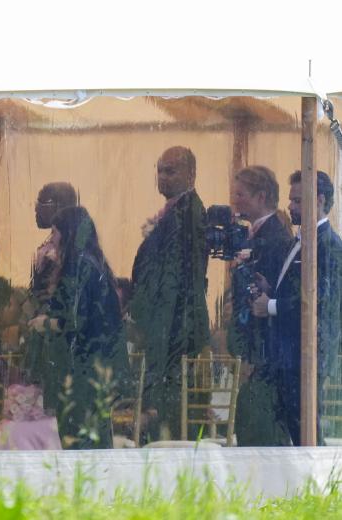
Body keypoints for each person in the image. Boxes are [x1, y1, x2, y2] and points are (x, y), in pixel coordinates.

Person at [251, 170, 342, 445]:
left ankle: (315, 479)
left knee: (304, 427)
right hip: (288, 352)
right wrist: (271, 289)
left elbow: (322, 300)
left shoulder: (328, 244)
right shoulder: (302, 240)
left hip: (306, 352)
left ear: (320, 200)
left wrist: (272, 306)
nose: (289, 206)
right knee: (292, 423)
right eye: (291, 200)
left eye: (297, 201)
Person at [24, 206, 126, 448]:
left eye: (55, 231)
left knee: (78, 436)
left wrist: (44, 323)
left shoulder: (78, 265)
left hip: (83, 370)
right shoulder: (93, 263)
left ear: (66, 232)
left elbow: (74, 320)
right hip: (99, 367)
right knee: (95, 434)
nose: (52, 238)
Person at [129, 146, 210, 440]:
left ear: (191, 174)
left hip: (173, 324)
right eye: (160, 170)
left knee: (169, 405)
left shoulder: (187, 212)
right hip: (165, 322)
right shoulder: (176, 210)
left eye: (170, 171)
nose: (162, 177)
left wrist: (147, 318)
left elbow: (174, 280)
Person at [227, 166, 293, 446]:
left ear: (261, 197)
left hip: (265, 349)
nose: (235, 201)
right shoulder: (258, 235)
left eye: (241, 195)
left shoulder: (274, 239)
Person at [31, 182, 78, 303]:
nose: (36, 208)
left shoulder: (67, 251)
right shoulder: (51, 244)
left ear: (59, 207)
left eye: (42, 203)